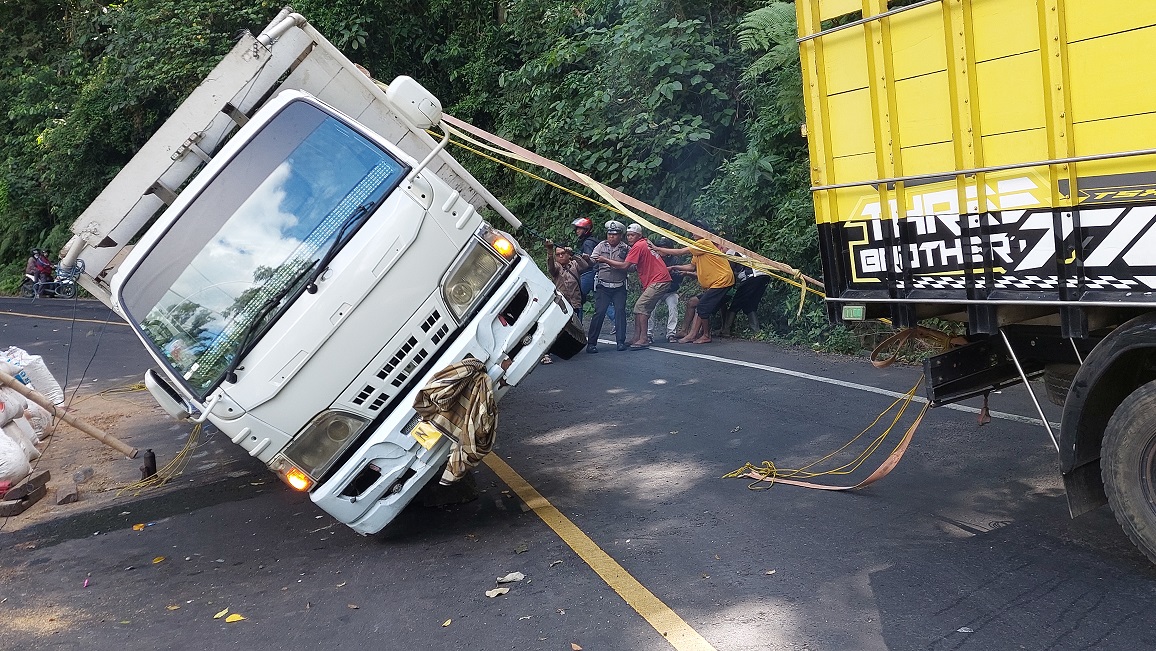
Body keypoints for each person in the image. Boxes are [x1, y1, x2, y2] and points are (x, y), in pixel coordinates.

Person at [595, 223, 671, 349]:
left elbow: (625, 266)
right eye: (628, 235)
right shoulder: (646, 242)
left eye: (632, 235)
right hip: (659, 279)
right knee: (641, 308)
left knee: (640, 307)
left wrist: (606, 260)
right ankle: (637, 337)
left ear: (639, 235)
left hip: (658, 280)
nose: (629, 238)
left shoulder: (638, 246)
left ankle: (643, 338)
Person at [651, 236, 734, 344]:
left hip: (722, 281)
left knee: (702, 306)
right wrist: (674, 267)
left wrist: (657, 248)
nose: (693, 234)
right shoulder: (698, 249)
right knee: (693, 302)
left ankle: (705, 335)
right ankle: (687, 332)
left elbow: (680, 252)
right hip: (715, 283)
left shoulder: (704, 243)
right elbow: (691, 266)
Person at [541, 240, 592, 364]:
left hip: (575, 302)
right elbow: (551, 268)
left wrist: (573, 254)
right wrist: (549, 251)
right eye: (558, 254)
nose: (560, 256)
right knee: (556, 329)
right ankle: (546, 353)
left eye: (563, 253)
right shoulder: (557, 267)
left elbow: (586, 266)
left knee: (577, 328)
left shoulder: (574, 264)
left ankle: (571, 347)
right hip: (561, 304)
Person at [585, 220, 630, 353]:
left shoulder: (626, 249)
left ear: (620, 235)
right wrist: (587, 259)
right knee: (599, 312)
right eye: (609, 234)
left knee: (620, 312)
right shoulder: (601, 246)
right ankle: (591, 344)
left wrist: (609, 262)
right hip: (603, 285)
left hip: (619, 285)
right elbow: (592, 261)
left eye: (615, 234)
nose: (611, 237)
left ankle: (620, 342)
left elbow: (632, 267)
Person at [720, 250, 772, 336]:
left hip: (751, 277)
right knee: (750, 306)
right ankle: (757, 332)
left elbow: (730, 270)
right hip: (763, 275)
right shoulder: (742, 252)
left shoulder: (730, 252)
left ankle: (726, 330)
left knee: (735, 304)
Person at [648, 238, 683, 343]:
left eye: (665, 248)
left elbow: (679, 277)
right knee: (650, 308)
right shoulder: (653, 258)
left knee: (673, 307)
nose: (662, 250)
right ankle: (648, 333)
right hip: (656, 289)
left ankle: (671, 333)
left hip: (670, 290)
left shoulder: (675, 260)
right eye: (661, 248)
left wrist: (670, 272)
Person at [571, 217, 598, 304]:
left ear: (586, 229)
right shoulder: (591, 240)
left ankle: (578, 317)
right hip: (595, 273)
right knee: (600, 300)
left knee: (578, 297)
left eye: (580, 228)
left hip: (589, 274)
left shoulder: (588, 243)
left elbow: (589, 261)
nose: (577, 231)